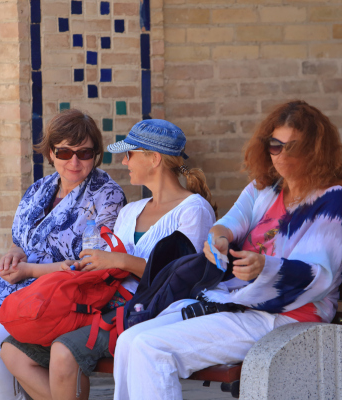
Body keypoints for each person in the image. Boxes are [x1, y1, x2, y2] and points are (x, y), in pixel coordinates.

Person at [112, 100, 342, 400]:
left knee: (151, 348)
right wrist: (218, 239)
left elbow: (320, 275)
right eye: (275, 146)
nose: (281, 155)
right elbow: (227, 224)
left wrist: (265, 267)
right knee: (129, 340)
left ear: (315, 149)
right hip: (237, 303)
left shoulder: (332, 201)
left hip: (287, 314)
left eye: (292, 147)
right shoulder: (264, 189)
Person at [0, 119, 218, 400]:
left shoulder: (193, 210)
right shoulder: (132, 211)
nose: (124, 162)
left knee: (64, 352)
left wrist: (119, 261)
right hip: (102, 302)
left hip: (147, 312)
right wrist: (84, 264)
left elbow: (182, 278)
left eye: (129, 154)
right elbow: (106, 263)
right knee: (12, 349)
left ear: (154, 159)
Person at [0, 109, 126, 400]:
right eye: (64, 152)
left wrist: (29, 271)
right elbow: (20, 240)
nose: (74, 162)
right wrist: (14, 255)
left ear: (97, 154)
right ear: (51, 153)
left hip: (59, 294)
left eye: (84, 153)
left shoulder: (107, 196)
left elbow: (94, 263)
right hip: (12, 287)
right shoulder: (39, 189)